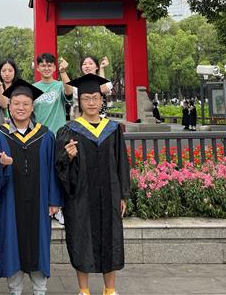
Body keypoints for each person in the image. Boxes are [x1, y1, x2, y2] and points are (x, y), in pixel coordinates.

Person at [55, 74, 131, 295]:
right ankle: (84, 290)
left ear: (101, 100)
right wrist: (68, 157)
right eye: (86, 98)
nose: (91, 102)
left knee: (111, 238)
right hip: (81, 196)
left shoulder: (113, 130)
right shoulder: (69, 130)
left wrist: (123, 195)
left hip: (109, 194)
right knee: (82, 239)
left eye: (95, 98)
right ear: (80, 101)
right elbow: (59, 166)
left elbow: (121, 163)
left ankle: (110, 289)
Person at [0, 79, 62, 295]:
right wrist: (1, 165)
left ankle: (40, 289)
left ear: (32, 107)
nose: (21, 108)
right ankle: (15, 290)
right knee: (12, 245)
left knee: (39, 244)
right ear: (9, 107)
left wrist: (53, 200)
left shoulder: (46, 135)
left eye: (25, 104)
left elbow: (53, 170)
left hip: (39, 202)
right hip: (11, 201)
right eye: (16, 103)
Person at [32, 53, 71, 135]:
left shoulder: (60, 85)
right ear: (38, 68)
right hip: (39, 135)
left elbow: (70, 92)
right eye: (43, 66)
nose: (46, 68)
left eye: (49, 65)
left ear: (54, 68)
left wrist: (63, 72)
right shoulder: (32, 88)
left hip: (59, 135)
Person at [0, 60, 19, 128]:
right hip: (2, 129)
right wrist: (0, 86)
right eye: (3, 71)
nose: (7, 74)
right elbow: (4, 105)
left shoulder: (21, 89)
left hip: (19, 128)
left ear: (15, 72)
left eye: (10, 70)